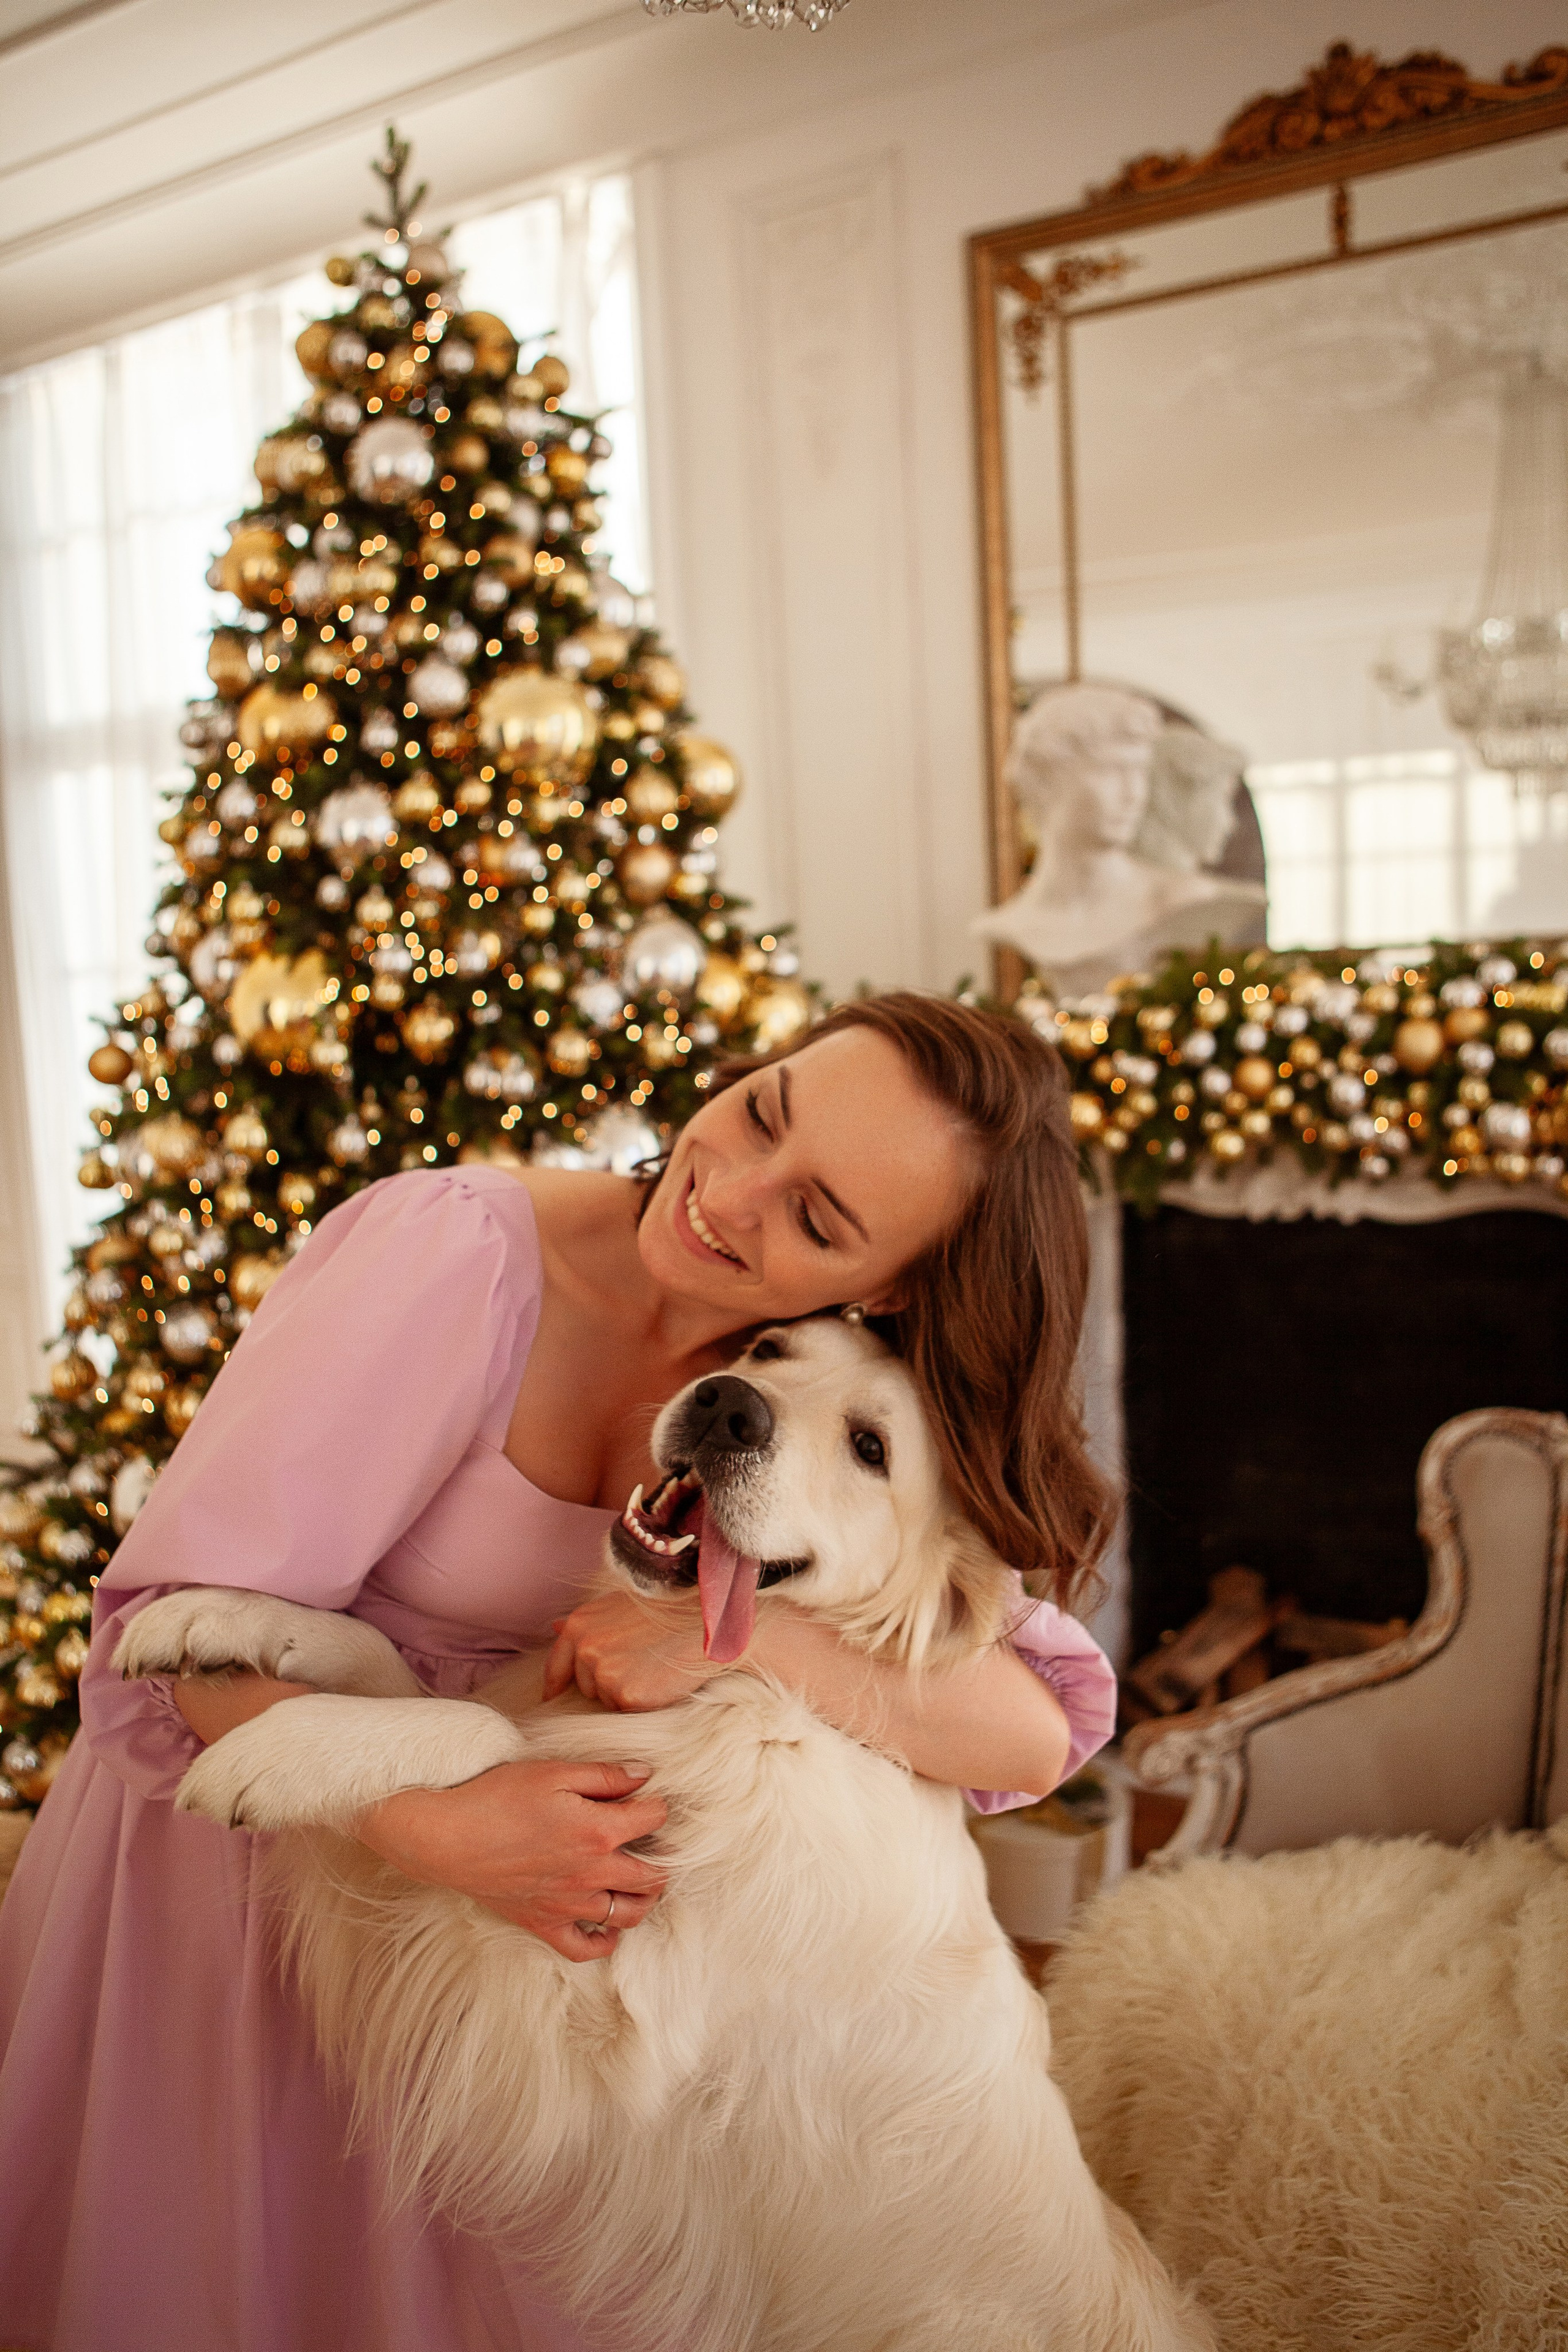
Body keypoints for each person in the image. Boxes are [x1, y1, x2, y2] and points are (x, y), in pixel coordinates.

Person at [0, 992, 1118, 2352]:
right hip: (247, 1894)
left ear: (884, 1285)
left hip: (508, 1988)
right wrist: (428, 1818)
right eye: (761, 1111)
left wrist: (738, 1628)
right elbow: (179, 1625)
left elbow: (1024, 1729)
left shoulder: (824, 1386)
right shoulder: (448, 1256)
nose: (730, 1192)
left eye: (817, 1219)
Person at [972, 682, 1265, 993]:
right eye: (1112, 772)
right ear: (1049, 780)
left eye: (1138, 772)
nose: (1133, 794)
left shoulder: (1183, 899)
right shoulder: (1005, 928)